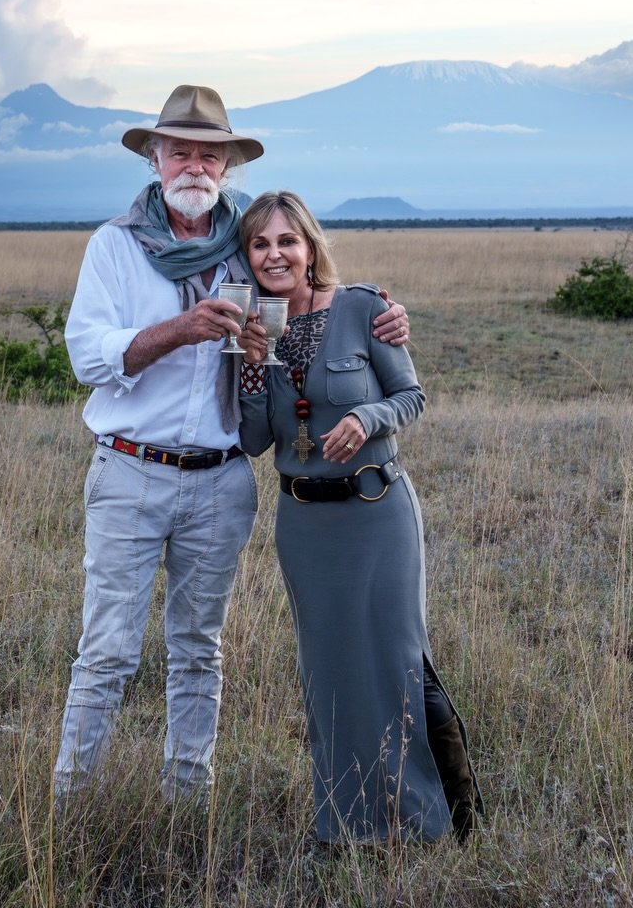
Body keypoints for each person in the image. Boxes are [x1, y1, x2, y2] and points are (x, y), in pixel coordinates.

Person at [56, 87, 411, 803]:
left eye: (208, 153)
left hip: (221, 478)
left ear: (227, 165)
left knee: (198, 651)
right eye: (179, 150)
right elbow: (87, 358)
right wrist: (178, 332)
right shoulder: (116, 247)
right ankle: (71, 805)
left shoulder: (243, 252)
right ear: (155, 158)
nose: (194, 164)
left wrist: (383, 311)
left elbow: (312, 287)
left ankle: (188, 804)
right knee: (107, 654)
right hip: (131, 469)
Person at [234, 190, 482, 843]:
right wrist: (253, 368)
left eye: (287, 240)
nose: (275, 254)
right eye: (260, 244)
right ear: (248, 257)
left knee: (398, 659)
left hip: (378, 511)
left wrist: (366, 418)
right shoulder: (254, 326)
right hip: (306, 528)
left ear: (310, 245)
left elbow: (410, 395)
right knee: (330, 673)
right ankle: (347, 824)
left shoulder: (365, 309)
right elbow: (258, 441)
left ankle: (433, 819)